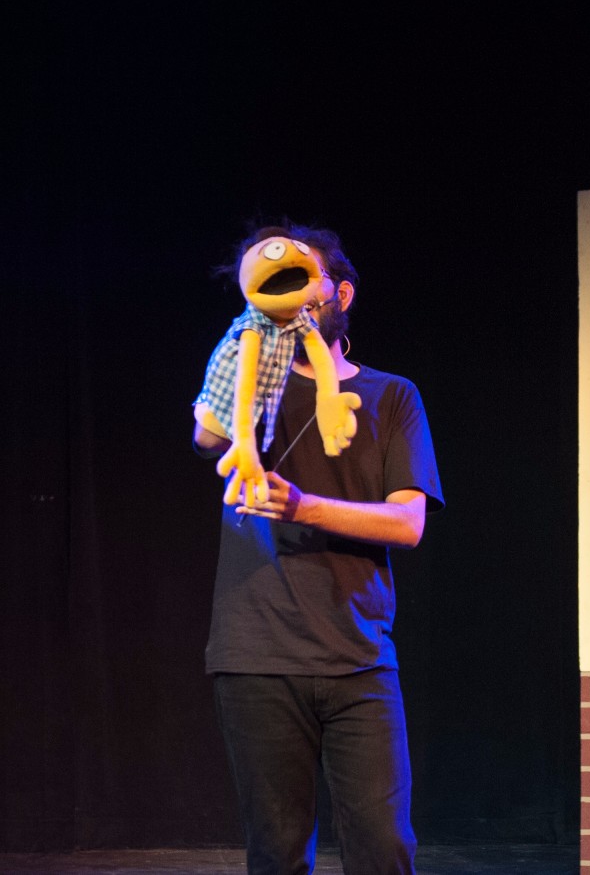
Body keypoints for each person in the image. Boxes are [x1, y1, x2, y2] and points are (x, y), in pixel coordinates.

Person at [192, 222, 444, 875]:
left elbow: (407, 524)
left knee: (384, 848)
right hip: (259, 655)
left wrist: (304, 506)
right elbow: (207, 438)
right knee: (277, 853)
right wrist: (242, 350)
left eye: (306, 277)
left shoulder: (392, 396)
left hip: (359, 656)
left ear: (341, 293)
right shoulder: (256, 383)